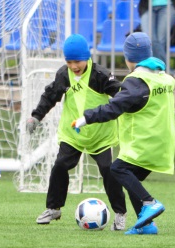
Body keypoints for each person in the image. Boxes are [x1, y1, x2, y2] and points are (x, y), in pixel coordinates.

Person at [72, 32, 175, 235]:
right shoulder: (163, 78)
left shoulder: (137, 81)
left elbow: (113, 108)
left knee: (117, 169)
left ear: (128, 58)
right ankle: (146, 225)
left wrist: (85, 118)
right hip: (162, 144)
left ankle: (150, 202)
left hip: (143, 143)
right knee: (130, 181)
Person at [27, 34, 128, 231]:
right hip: (72, 133)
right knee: (60, 166)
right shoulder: (64, 75)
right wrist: (36, 116)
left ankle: (120, 213)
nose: (74, 66)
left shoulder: (100, 75)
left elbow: (121, 94)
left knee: (109, 171)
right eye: (69, 61)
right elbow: (50, 96)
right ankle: (53, 208)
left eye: (77, 61)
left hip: (100, 135)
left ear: (87, 58)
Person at [135, 0, 175, 64]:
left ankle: (157, 71)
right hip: (147, 7)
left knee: (161, 40)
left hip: (168, 6)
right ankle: (166, 71)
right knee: (149, 38)